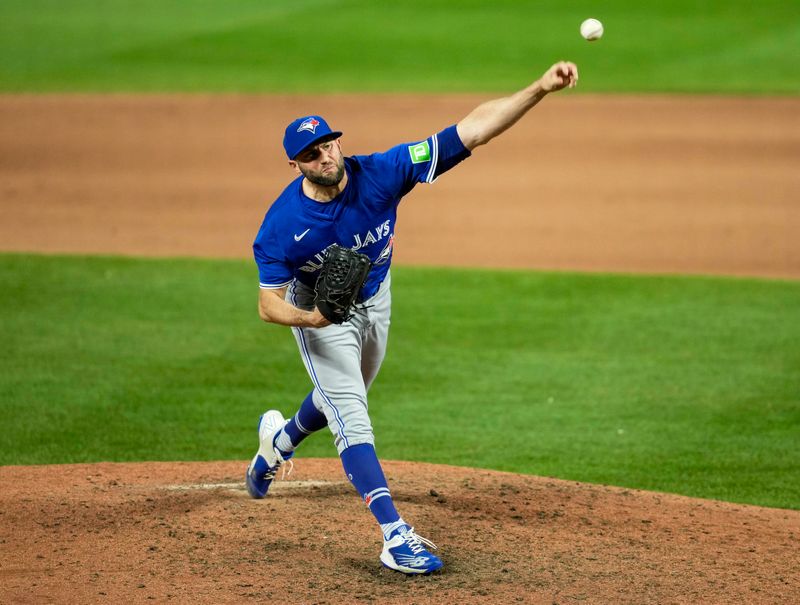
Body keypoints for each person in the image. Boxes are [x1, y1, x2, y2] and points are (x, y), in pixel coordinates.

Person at [246, 61, 579, 575]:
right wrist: (310, 320)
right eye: (311, 155)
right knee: (352, 417)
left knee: (345, 393)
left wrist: (539, 88)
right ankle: (393, 534)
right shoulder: (281, 225)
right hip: (321, 314)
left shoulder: (382, 172)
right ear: (296, 166)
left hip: (377, 299)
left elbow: (472, 131)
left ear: (338, 142)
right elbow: (268, 305)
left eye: (328, 144)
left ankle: (279, 442)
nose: (325, 156)